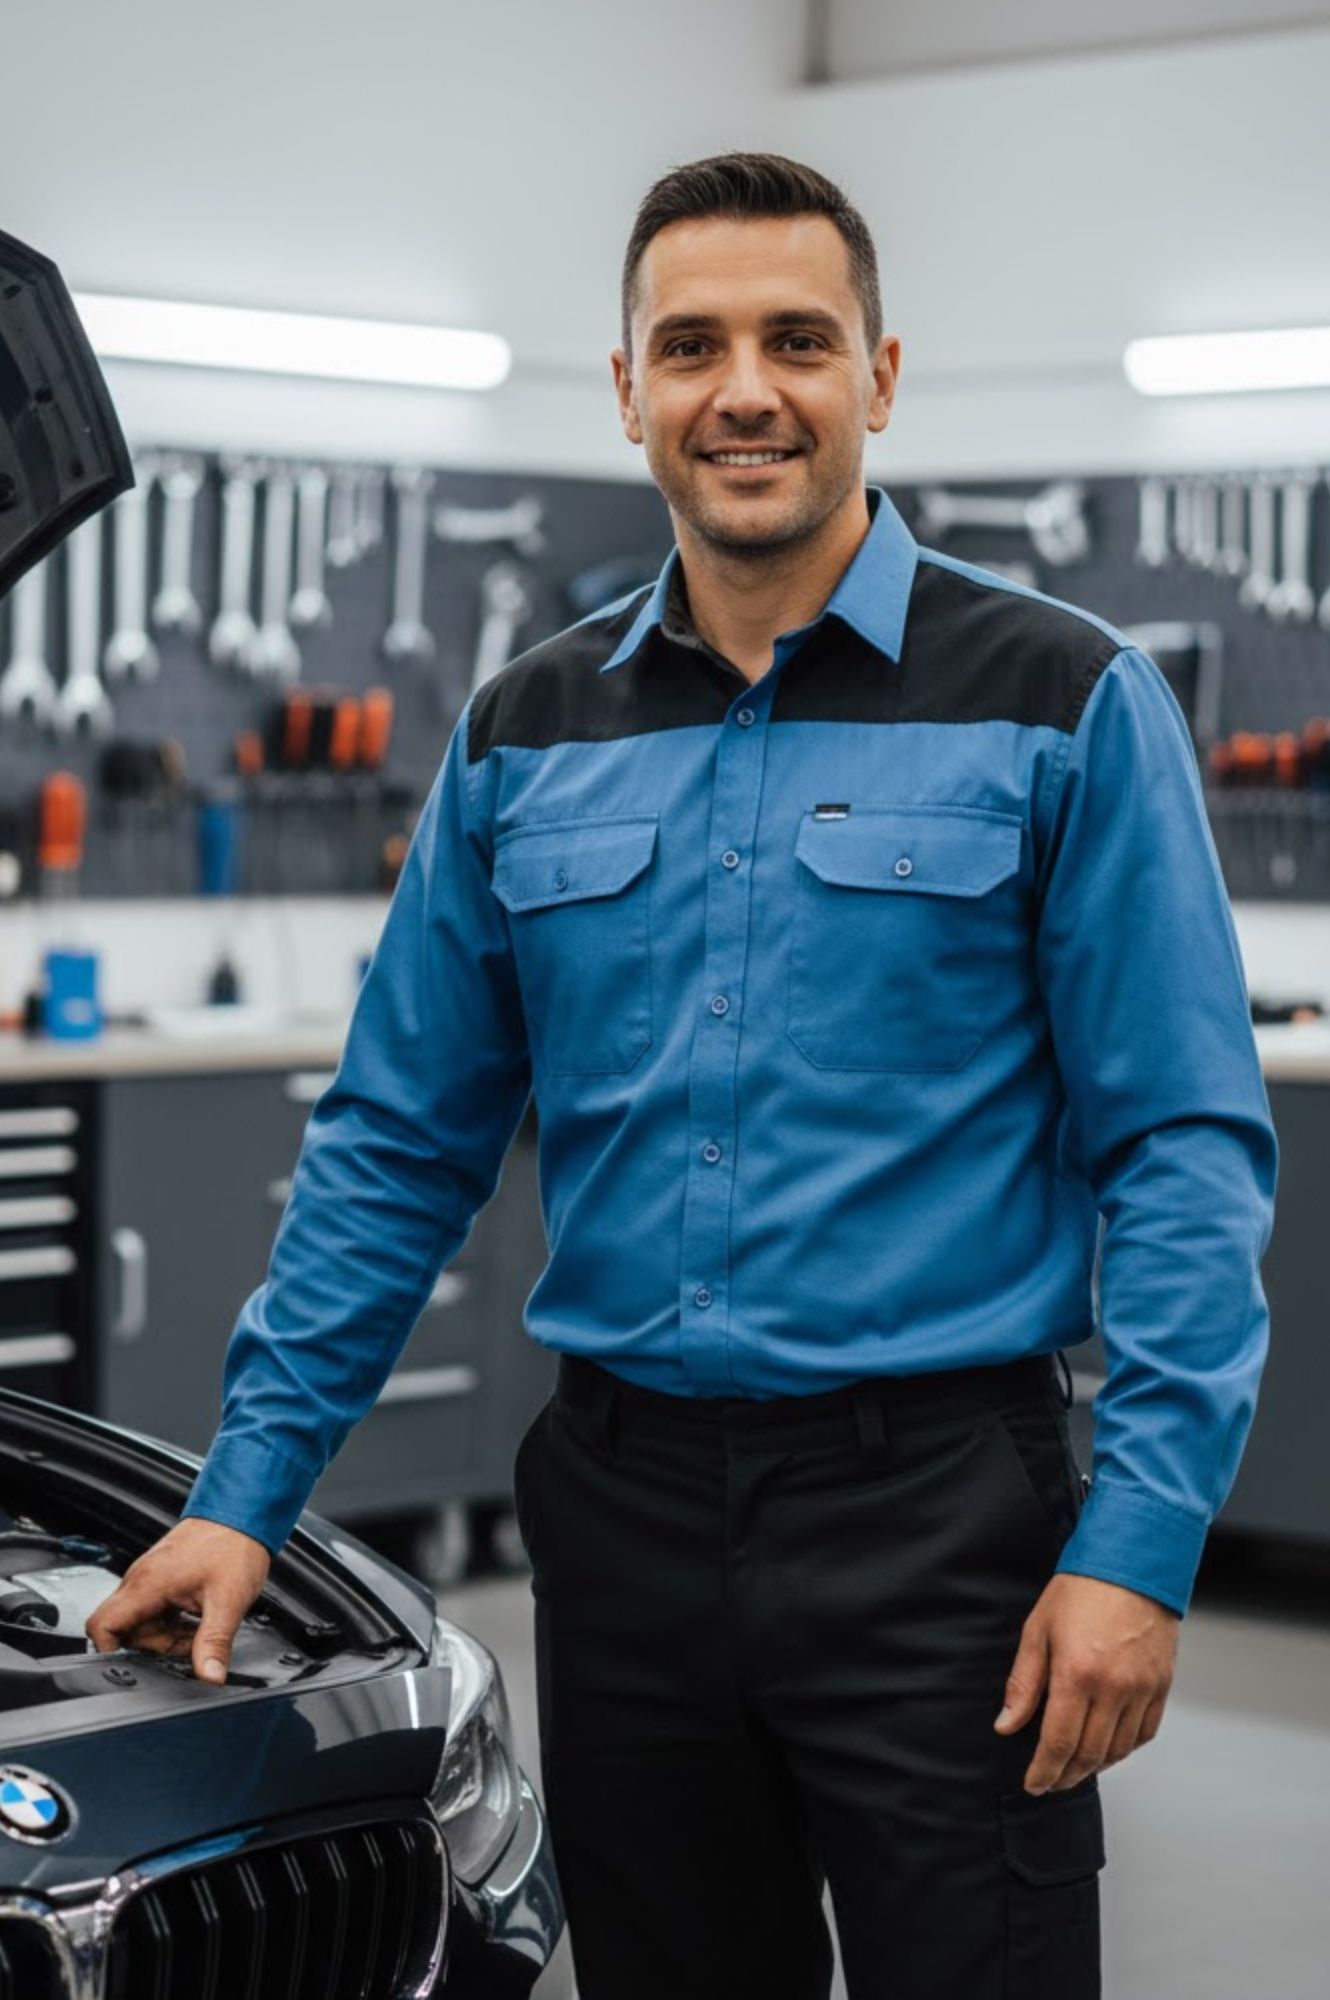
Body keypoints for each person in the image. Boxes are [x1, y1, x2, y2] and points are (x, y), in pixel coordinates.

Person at [87, 152, 1278, 1998]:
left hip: (946, 1525)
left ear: (877, 377)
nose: (746, 389)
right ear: (627, 386)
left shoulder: (1062, 694)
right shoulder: (521, 729)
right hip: (627, 1529)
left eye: (798, 340)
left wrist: (1137, 1540)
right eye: (693, 343)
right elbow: (399, 1143)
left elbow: (1184, 1152)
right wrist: (244, 1498)